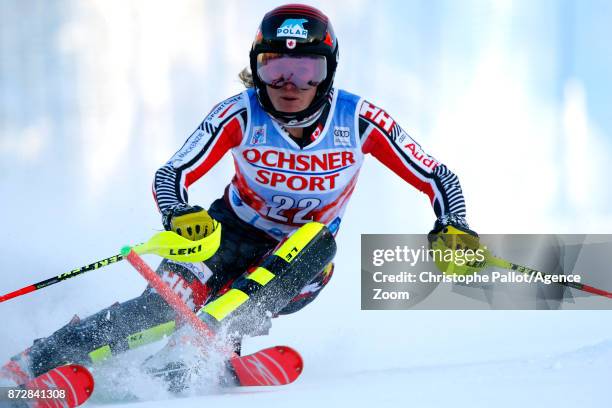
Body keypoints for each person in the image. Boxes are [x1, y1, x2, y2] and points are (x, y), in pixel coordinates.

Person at [0, 4, 479, 387]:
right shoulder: (240, 113)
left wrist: (451, 224)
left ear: (328, 72)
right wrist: (179, 212)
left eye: (306, 70)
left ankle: (207, 344)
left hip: (301, 265)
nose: (291, 86)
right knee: (159, 309)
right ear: (257, 69)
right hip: (224, 234)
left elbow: (437, 176)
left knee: (317, 240)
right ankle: (31, 365)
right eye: (276, 69)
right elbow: (173, 172)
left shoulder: (358, 120)